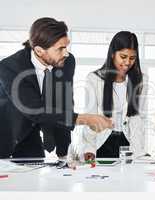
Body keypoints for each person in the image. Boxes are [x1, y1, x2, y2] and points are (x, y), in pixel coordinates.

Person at [0, 17, 112, 159]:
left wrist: (64, 152)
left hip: (31, 135)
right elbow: (35, 110)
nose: (66, 53)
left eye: (66, 46)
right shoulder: (10, 67)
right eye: (60, 48)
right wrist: (86, 119)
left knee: (35, 175)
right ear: (39, 51)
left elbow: (63, 103)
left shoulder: (67, 61)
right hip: (8, 134)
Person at [69, 31, 147, 161]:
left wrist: (139, 151)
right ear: (112, 54)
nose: (128, 62)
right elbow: (91, 115)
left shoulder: (141, 80)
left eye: (132, 58)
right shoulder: (94, 79)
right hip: (102, 142)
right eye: (123, 56)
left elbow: (139, 118)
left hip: (129, 145)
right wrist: (89, 148)